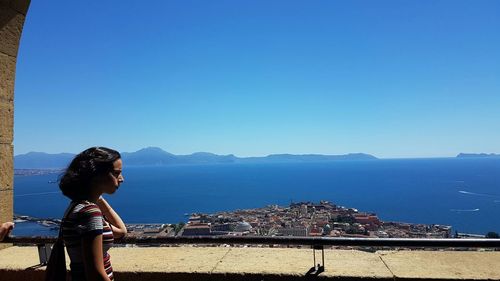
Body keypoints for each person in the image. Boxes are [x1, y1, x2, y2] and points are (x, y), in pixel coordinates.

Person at [59, 147, 127, 281]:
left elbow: (121, 231)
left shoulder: (77, 206)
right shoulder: (90, 213)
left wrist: (98, 197)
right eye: (116, 173)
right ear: (97, 175)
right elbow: (95, 274)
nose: (122, 179)